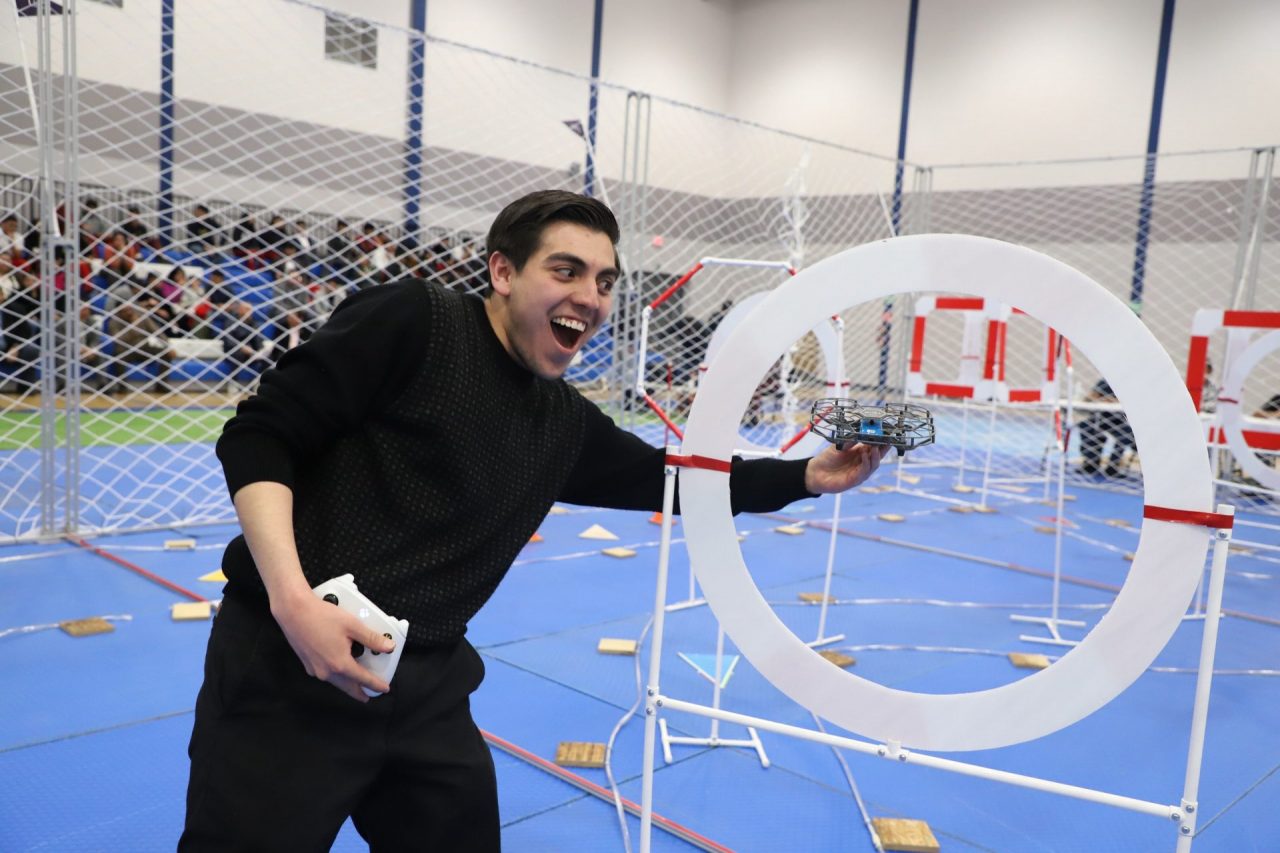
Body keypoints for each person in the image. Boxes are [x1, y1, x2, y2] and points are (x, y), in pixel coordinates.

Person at [179, 190, 889, 852]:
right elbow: (260, 434)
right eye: (566, 270)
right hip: (287, 667)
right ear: (503, 272)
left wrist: (807, 476)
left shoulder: (562, 423)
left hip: (424, 686)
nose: (590, 296)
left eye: (605, 282)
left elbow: (671, 479)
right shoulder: (417, 322)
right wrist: (293, 602)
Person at [1077, 377, 1134, 476]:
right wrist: (1098, 398)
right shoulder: (1105, 381)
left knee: (1126, 435)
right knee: (1085, 426)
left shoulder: (1129, 383)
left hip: (1119, 421)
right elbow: (1091, 396)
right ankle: (1091, 463)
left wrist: (1108, 400)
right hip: (1099, 418)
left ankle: (1113, 467)